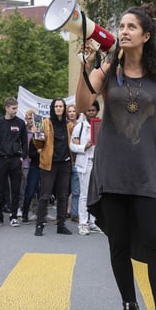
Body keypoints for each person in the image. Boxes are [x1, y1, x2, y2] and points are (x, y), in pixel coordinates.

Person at [75, 4, 156, 310]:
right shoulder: (107, 70)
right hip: (112, 170)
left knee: (155, 244)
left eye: (131, 26)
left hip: (148, 170)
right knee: (118, 244)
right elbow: (80, 104)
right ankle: (129, 307)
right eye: (120, 26)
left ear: (145, 36)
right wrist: (86, 65)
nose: (123, 31)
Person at [32, 98, 74, 236]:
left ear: (64, 108)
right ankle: (39, 225)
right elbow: (39, 145)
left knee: (62, 196)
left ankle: (61, 225)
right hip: (49, 164)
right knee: (44, 195)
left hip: (65, 163)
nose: (58, 108)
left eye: (61, 106)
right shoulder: (45, 122)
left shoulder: (68, 125)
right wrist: (36, 135)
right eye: (56, 106)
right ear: (52, 108)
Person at [0, 96, 28, 227]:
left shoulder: (20, 123)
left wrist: (22, 156)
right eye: (13, 108)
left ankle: (13, 216)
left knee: (16, 189)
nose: (16, 110)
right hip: (1, 159)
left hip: (15, 159)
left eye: (16, 108)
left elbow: (24, 142)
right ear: (6, 108)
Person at [70, 101, 101, 235]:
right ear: (84, 112)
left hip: (98, 163)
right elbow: (72, 146)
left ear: (97, 111)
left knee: (96, 193)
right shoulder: (79, 127)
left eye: (93, 110)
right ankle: (83, 223)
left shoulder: (100, 125)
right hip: (85, 162)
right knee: (84, 194)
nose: (91, 112)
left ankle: (93, 221)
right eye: (88, 110)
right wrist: (84, 147)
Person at [21, 109, 40, 223]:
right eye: (29, 118)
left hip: (40, 165)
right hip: (27, 163)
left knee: (41, 191)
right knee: (28, 189)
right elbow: (30, 151)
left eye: (33, 118)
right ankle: (24, 212)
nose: (31, 120)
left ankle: (39, 212)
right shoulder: (23, 130)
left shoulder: (40, 131)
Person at [66, 103, 80, 223]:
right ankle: (63, 212)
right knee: (63, 190)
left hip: (77, 161)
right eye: (69, 111)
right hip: (65, 161)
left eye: (73, 111)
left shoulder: (81, 126)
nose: (71, 113)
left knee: (76, 191)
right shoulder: (63, 126)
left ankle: (74, 214)